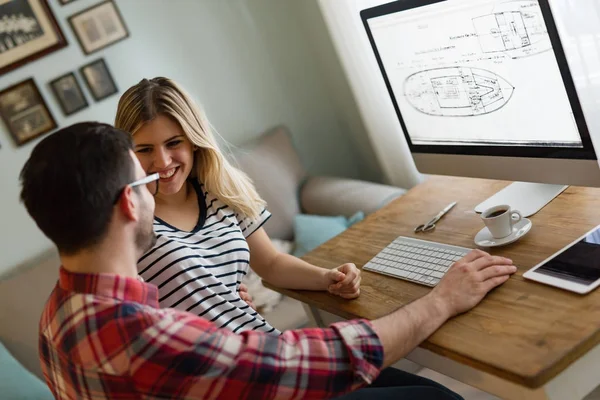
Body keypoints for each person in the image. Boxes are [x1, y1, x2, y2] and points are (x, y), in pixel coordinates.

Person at [22, 122, 516, 399]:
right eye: (145, 177)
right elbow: (298, 364)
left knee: (405, 383)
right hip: (276, 373)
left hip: (257, 361)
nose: (162, 174)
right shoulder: (138, 332)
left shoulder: (57, 315)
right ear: (130, 201)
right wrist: (442, 300)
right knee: (435, 398)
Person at [114, 77, 362, 335]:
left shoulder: (220, 192)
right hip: (205, 365)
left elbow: (271, 263)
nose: (163, 161)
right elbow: (124, 315)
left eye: (174, 143)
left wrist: (329, 279)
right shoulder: (124, 221)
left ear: (193, 140)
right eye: (145, 149)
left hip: (262, 346)